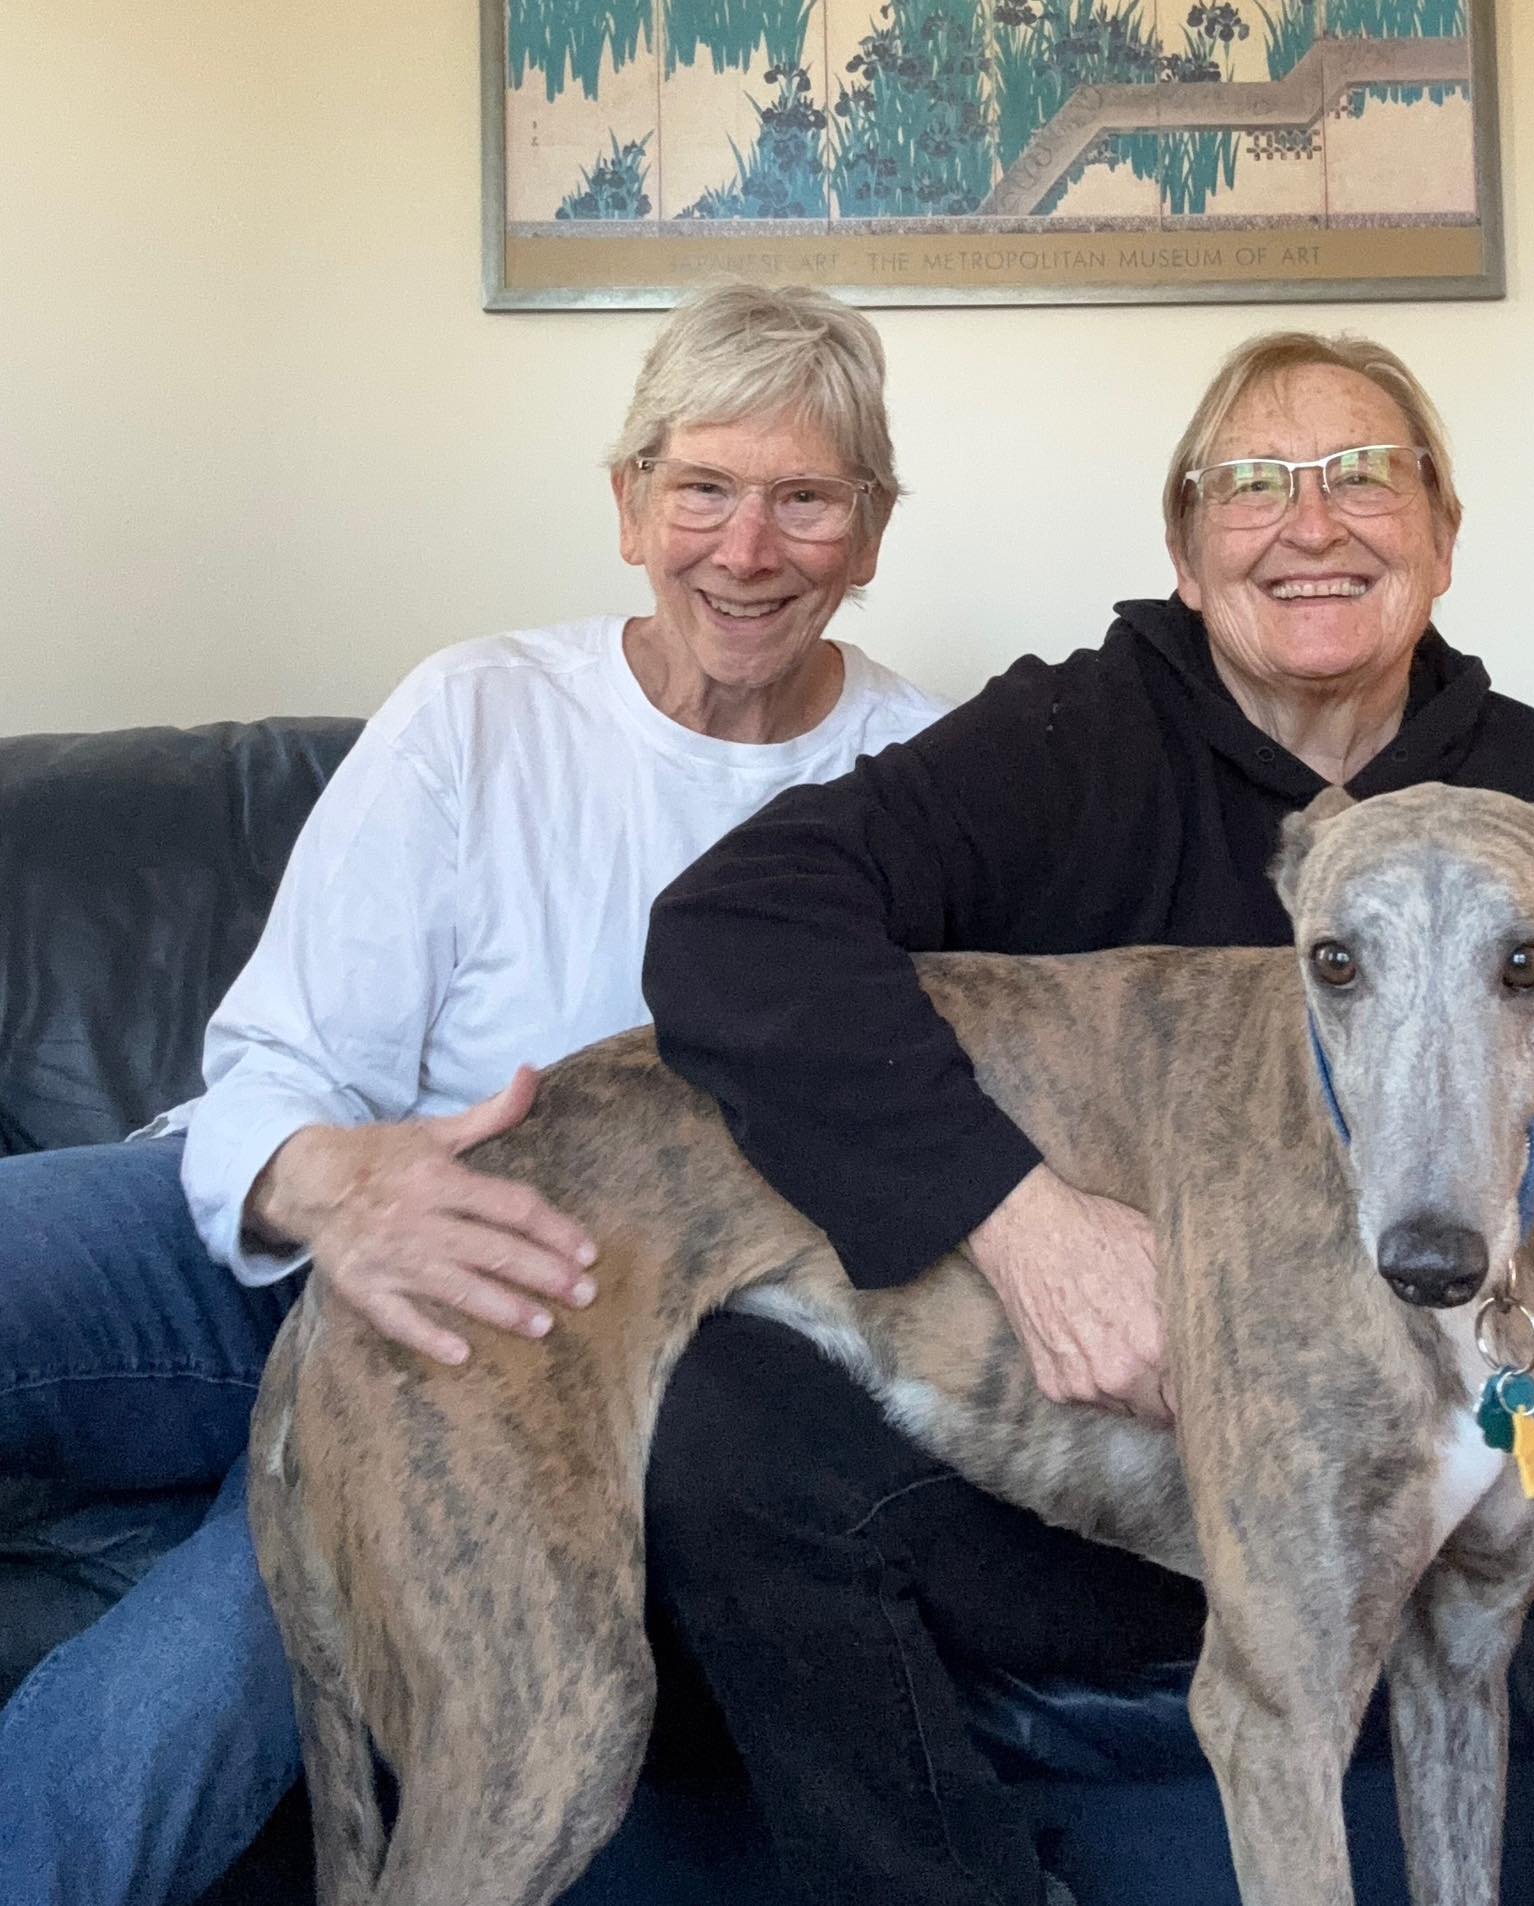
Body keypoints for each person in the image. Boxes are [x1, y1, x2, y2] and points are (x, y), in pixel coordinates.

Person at [642, 330, 1534, 1906]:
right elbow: (737, 924)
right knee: (727, 1415)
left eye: (1365, 476)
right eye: (1252, 484)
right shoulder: (1064, 744)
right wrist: (1023, 1216)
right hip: (1116, 1465)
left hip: (1467, 1425)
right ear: (1188, 552)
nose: (1310, 522)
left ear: (1444, 537)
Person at [0, 281, 948, 1906]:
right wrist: (340, 1187)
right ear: (629, 502)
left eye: (806, 498)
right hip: (291, 1225)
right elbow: (280, 1061)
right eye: (704, 488)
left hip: (509, 1372)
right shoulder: (480, 712)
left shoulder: (928, 787)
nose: (747, 545)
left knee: (198, 1690)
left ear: (869, 534)